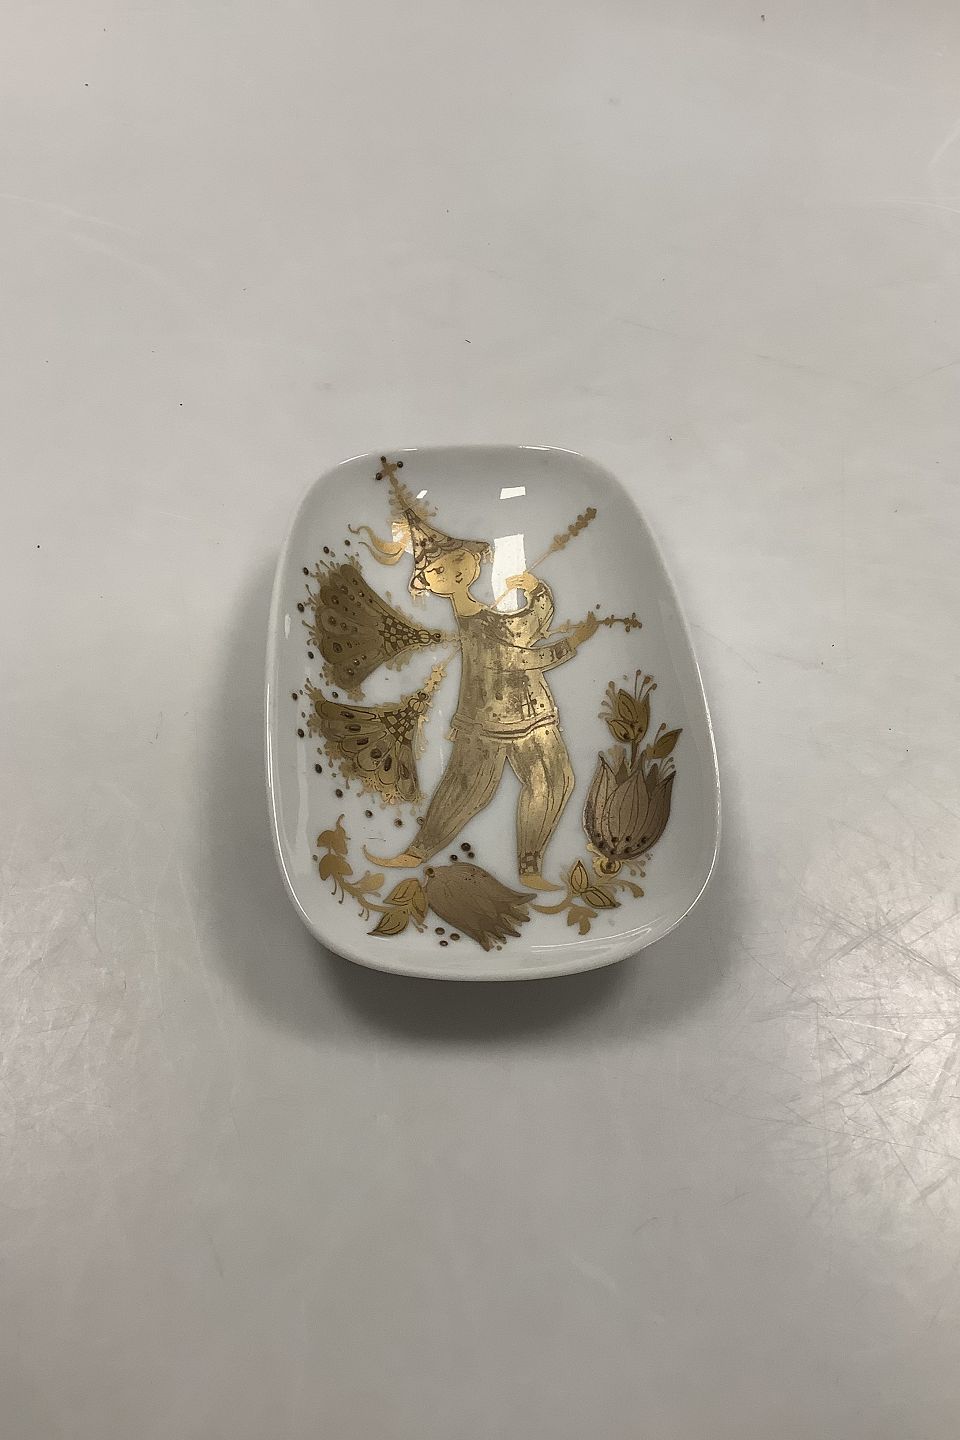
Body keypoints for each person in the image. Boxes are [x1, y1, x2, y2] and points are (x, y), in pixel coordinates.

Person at [366, 511, 597, 888]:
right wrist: (571, 641)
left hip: (527, 714)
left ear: (474, 560)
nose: (454, 572)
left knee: (553, 781)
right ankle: (418, 852)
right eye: (439, 570)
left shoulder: (483, 617)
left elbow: (524, 629)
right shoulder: (476, 621)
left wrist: (536, 590)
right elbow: (521, 655)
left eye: (458, 560)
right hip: (492, 718)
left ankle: (529, 867)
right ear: (427, 583)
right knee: (467, 789)